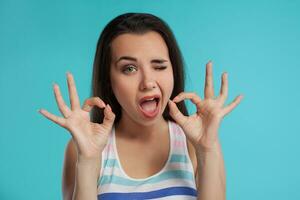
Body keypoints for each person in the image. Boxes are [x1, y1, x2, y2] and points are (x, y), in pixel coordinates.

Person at [39, 12, 243, 200]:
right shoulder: (82, 149)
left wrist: (206, 149)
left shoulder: (196, 143)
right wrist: (88, 160)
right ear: (109, 79)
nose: (148, 82)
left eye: (159, 66)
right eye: (129, 68)